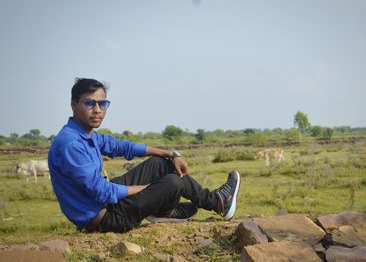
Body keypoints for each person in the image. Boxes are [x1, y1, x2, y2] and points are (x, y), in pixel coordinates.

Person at [48, 78, 240, 232]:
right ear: (74, 105)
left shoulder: (84, 134)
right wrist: (150, 189)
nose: (97, 110)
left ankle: (169, 209)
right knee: (174, 182)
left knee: (162, 163)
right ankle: (216, 203)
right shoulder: (71, 144)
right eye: (89, 103)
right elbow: (102, 191)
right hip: (106, 217)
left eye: (102, 103)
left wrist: (170, 153)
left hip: (105, 201)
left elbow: (121, 146)